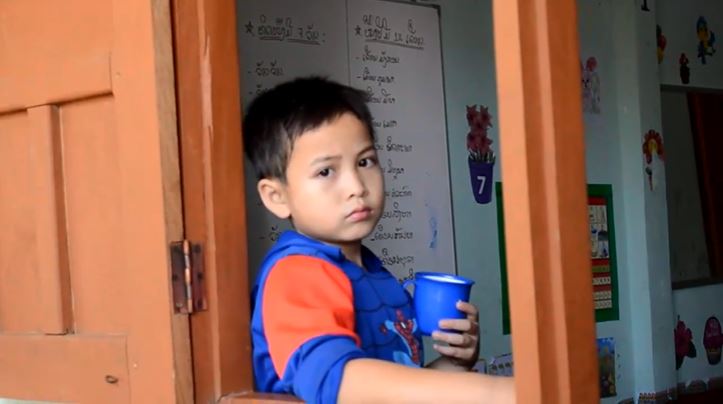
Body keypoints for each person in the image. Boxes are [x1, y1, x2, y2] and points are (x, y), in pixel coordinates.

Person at [244, 76, 515, 403]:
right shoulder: (297, 274)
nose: (356, 185)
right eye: (326, 172)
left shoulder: (373, 274)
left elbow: (393, 389)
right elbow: (340, 383)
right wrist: (494, 393)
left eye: (364, 161)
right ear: (276, 196)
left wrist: (454, 364)